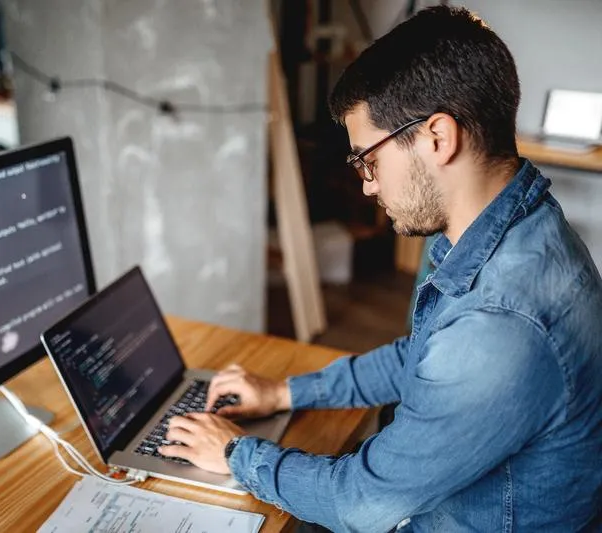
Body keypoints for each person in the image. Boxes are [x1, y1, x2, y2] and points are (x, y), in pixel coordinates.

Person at [158, 6, 602, 532]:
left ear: (438, 137)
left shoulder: (498, 322)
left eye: (368, 159)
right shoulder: (525, 227)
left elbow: (360, 504)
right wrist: (286, 393)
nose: (367, 185)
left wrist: (234, 453)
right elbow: (424, 359)